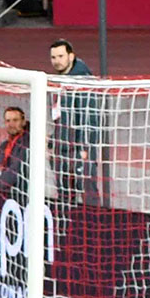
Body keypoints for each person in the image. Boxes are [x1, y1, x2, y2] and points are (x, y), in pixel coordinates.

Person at [47, 39, 101, 204]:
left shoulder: (82, 81)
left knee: (86, 190)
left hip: (78, 149)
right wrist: (53, 142)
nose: (57, 61)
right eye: (53, 57)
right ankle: (66, 216)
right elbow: (60, 116)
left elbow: (90, 118)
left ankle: (93, 218)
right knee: (64, 192)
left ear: (71, 56)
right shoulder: (61, 79)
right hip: (63, 147)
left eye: (61, 56)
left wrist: (84, 148)